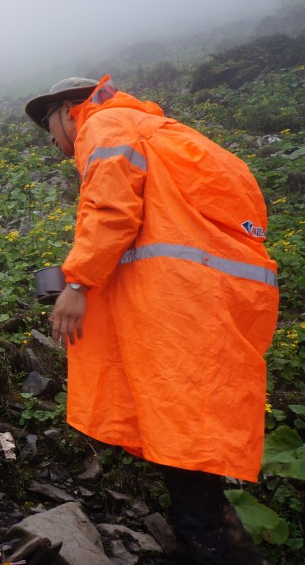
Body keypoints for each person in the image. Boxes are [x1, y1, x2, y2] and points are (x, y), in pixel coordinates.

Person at [25, 76, 279, 564]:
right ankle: (219, 537)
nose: (54, 143)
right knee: (185, 423)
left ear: (66, 110)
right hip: (213, 297)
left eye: (48, 128)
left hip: (180, 302)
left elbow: (113, 210)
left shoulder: (106, 124)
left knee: (181, 427)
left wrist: (76, 285)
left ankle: (205, 548)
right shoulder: (159, 129)